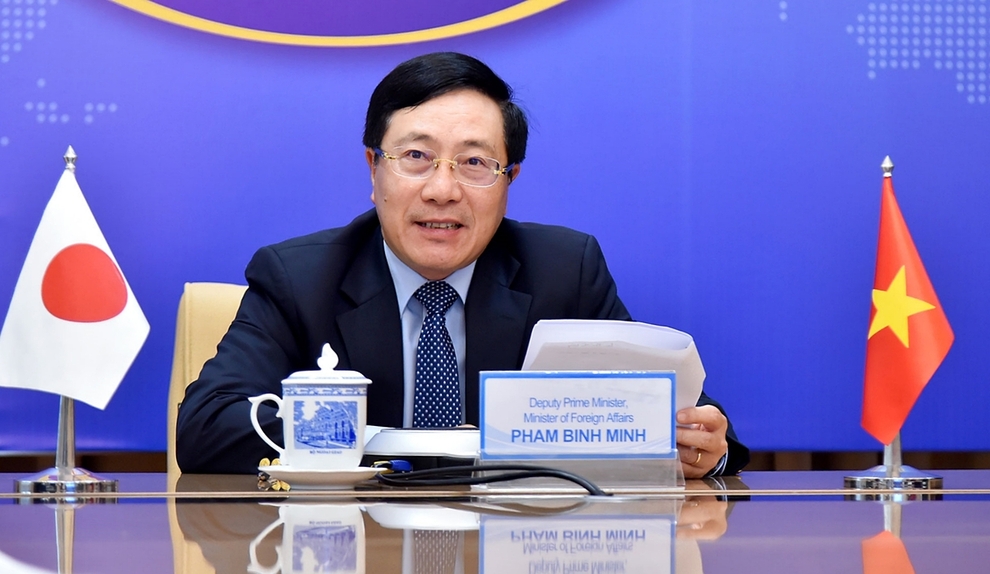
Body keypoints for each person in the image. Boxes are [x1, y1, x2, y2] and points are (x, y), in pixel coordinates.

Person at [176, 52, 749, 477]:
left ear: (509, 181)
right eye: (416, 157)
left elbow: (663, 407)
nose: (442, 190)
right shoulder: (299, 278)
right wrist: (392, 445)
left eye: (475, 163)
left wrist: (706, 447)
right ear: (374, 169)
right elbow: (205, 430)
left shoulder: (563, 270)